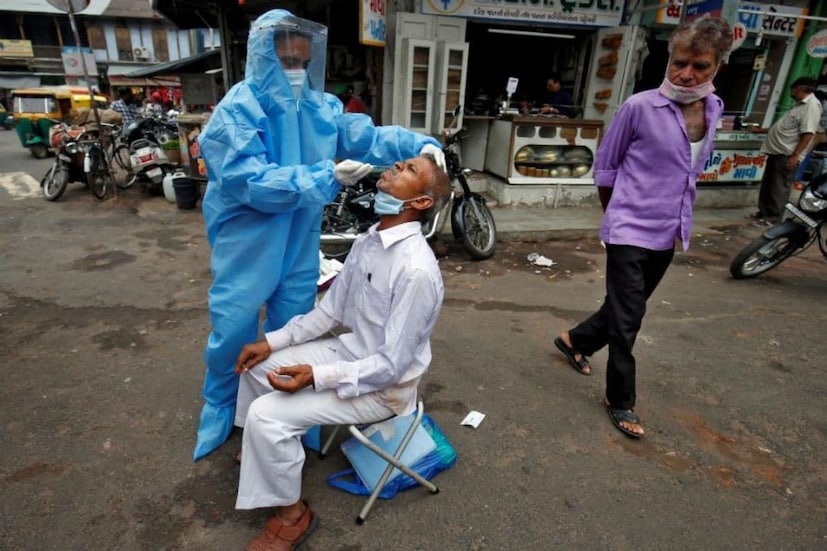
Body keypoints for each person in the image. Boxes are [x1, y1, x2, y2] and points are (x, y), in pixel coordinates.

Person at [193, 9, 446, 461]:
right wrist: (324, 177)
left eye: (304, 62)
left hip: (300, 234)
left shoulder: (318, 107)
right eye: (288, 60)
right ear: (264, 57)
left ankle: (289, 411)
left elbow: (366, 136)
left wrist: (417, 145)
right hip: (249, 237)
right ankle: (220, 402)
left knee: (294, 320)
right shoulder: (237, 111)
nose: (297, 71)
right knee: (233, 324)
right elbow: (250, 181)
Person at [232, 153, 450, 550]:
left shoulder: (416, 270)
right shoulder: (370, 240)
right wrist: (272, 342)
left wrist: (316, 377)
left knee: (267, 414)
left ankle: (293, 516)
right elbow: (329, 312)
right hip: (349, 355)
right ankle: (261, 454)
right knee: (259, 367)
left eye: (410, 170)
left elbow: (391, 366)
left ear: (420, 202)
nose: (397, 167)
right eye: (401, 163)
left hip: (382, 389)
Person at [553, 17, 732, 439]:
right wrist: (615, 216)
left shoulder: (714, 109)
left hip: (670, 229)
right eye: (679, 62)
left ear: (717, 66)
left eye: (700, 66)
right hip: (629, 226)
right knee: (629, 317)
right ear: (669, 59)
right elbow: (606, 168)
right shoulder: (639, 107)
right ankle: (620, 398)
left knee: (623, 305)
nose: (686, 74)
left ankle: (574, 341)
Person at [748, 77, 823, 224]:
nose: (791, 93)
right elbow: (785, 127)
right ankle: (763, 212)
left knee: (779, 186)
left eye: (793, 89)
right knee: (768, 184)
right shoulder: (798, 105)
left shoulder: (811, 106)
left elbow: (808, 133)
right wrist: (760, 130)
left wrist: (795, 155)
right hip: (777, 151)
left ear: (800, 88)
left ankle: (773, 217)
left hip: (788, 154)